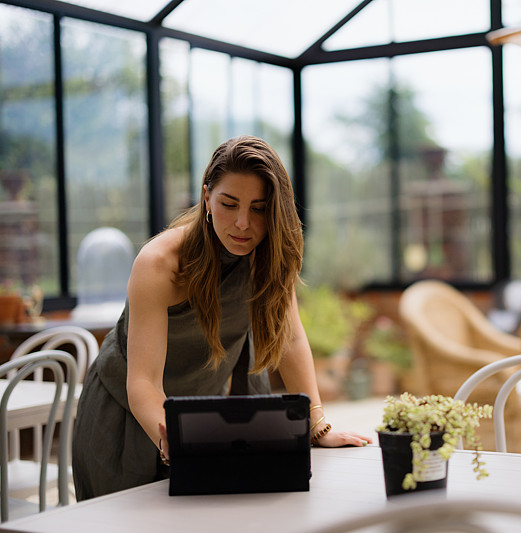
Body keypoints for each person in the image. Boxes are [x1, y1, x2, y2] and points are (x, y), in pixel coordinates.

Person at [72, 135, 372, 500]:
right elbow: (143, 383)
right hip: (122, 418)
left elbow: (291, 340)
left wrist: (318, 426)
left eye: (259, 209)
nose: (243, 223)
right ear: (207, 198)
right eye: (229, 204)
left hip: (199, 421)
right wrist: (175, 441)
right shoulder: (160, 263)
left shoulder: (268, 257)